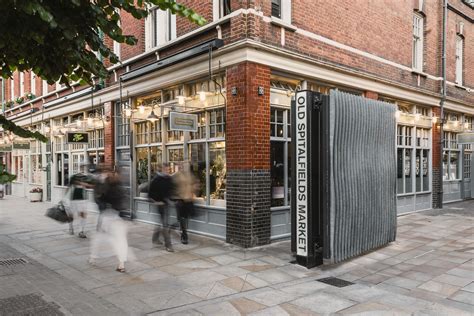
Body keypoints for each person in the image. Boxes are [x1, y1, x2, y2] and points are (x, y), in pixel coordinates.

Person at [89, 171, 129, 273]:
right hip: (117, 217)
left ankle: (93, 257)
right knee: (120, 241)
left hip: (106, 216)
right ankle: (121, 264)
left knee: (99, 238)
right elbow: (123, 204)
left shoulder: (106, 188)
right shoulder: (121, 189)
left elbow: (99, 199)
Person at [148, 163, 174, 252]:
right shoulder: (156, 180)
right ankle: (168, 245)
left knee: (160, 223)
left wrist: (171, 200)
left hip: (166, 204)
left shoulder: (169, 179)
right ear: (162, 169)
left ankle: (155, 239)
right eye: (166, 170)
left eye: (168, 170)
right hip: (159, 205)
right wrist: (156, 202)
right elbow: (150, 194)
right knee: (165, 225)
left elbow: (170, 191)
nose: (167, 171)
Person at [173, 163, 199, 244]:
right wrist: (176, 196)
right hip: (180, 200)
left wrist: (194, 191)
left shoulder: (189, 175)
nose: (183, 167)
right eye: (182, 166)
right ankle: (184, 236)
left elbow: (195, 183)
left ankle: (179, 228)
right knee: (183, 218)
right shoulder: (176, 175)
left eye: (185, 166)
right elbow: (171, 186)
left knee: (186, 217)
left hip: (188, 200)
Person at [65, 166, 93, 238]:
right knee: (71, 215)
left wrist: (85, 185)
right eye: (81, 168)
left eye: (84, 168)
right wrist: (64, 198)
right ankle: (71, 227)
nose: (82, 170)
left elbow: (92, 186)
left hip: (83, 199)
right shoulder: (73, 177)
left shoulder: (86, 177)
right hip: (73, 199)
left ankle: (81, 231)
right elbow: (68, 187)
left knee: (83, 215)